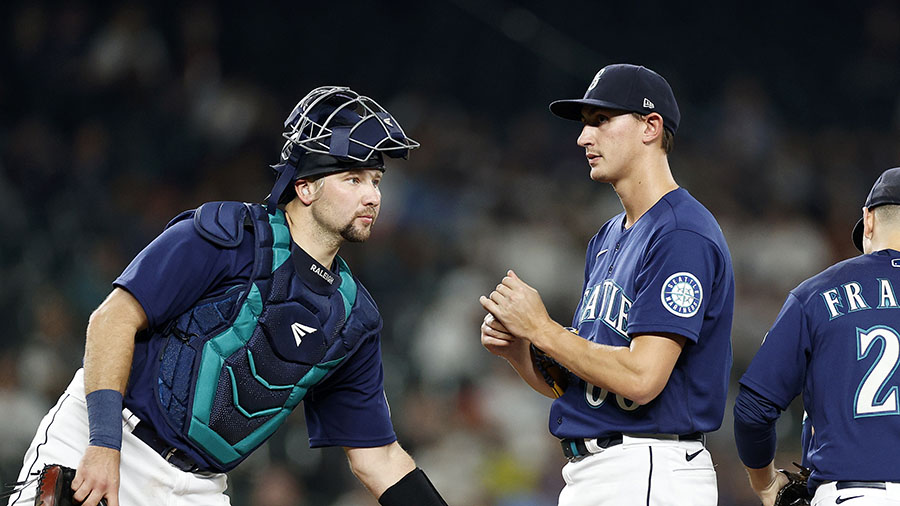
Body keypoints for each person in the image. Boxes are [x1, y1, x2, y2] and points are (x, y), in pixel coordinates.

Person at [6, 86, 448, 506]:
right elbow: (112, 320)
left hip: (198, 488)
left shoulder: (352, 318)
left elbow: (379, 459)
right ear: (306, 186)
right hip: (108, 435)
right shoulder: (226, 236)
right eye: (353, 178)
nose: (373, 195)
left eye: (376, 180)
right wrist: (103, 445)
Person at [479, 63, 735, 505]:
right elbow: (585, 387)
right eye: (584, 125)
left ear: (650, 127)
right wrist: (521, 353)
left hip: (649, 465)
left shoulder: (680, 233)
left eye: (601, 121)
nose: (583, 138)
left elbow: (641, 378)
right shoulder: (607, 237)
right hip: (599, 470)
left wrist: (542, 328)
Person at [735, 166, 900, 506]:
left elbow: (753, 410)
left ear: (868, 221)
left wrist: (765, 482)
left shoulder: (816, 293)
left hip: (855, 495)